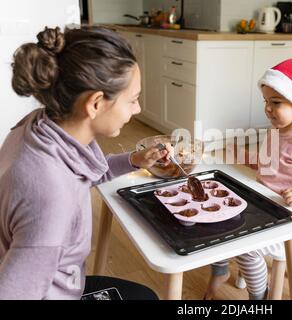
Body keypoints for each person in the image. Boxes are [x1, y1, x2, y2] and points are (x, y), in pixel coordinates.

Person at [0, 26, 172, 300]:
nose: (137, 109)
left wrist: (134, 160)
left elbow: (78, 175)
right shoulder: (50, 198)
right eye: (133, 100)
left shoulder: (38, 126)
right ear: (95, 104)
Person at [204, 59, 292, 300]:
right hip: (264, 205)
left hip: (288, 215)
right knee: (219, 220)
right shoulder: (276, 131)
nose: (267, 108)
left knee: (245, 249)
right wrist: (240, 155)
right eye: (266, 101)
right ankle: (221, 271)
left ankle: (260, 296)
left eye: (276, 102)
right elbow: (268, 162)